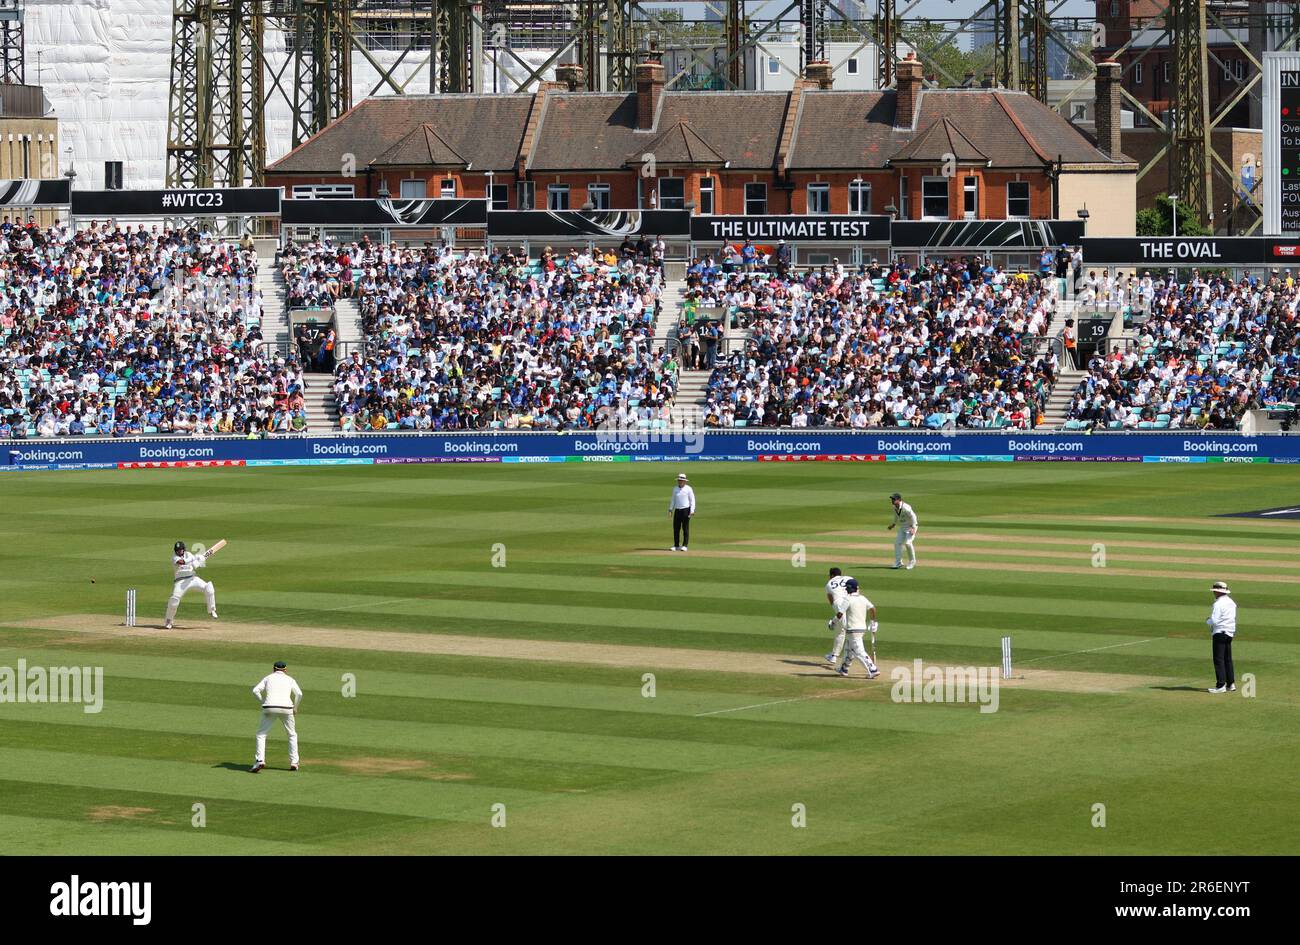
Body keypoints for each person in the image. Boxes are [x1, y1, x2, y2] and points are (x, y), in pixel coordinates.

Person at [251, 660, 303, 772]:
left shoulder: (268, 678)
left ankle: (260, 760)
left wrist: (263, 701)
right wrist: (295, 708)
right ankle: (294, 762)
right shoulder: (290, 679)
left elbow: (255, 690)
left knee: (261, 734)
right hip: (287, 708)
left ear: (273, 669)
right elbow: (299, 694)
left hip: (269, 707)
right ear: (285, 670)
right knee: (292, 734)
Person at [164, 540, 217, 630]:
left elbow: (195, 565)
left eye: (180, 549)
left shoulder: (188, 554)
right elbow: (182, 562)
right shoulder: (174, 557)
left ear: (184, 549)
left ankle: (212, 610)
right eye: (177, 550)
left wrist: (200, 560)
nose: (179, 551)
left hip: (192, 579)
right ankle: (169, 620)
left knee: (209, 587)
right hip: (180, 582)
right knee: (174, 600)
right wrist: (194, 558)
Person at [837, 579, 880, 679]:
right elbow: (873, 608)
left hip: (853, 629)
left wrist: (833, 622)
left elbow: (840, 614)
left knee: (859, 651)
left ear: (848, 589)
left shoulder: (847, 599)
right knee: (848, 648)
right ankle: (844, 668)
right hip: (861, 629)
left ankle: (873, 669)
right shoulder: (863, 598)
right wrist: (873, 621)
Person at [1206, 581, 1237, 694]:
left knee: (1218, 659)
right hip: (1229, 632)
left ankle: (1221, 685)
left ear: (1218, 592)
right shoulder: (1231, 602)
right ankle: (1230, 684)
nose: (1214, 593)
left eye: (1215, 591)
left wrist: (1207, 621)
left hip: (1220, 632)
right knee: (1227, 659)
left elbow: (1214, 620)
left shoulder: (1218, 604)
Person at [823, 566, 854, 665]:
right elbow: (856, 589)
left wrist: (836, 616)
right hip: (852, 601)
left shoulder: (829, 584)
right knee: (846, 628)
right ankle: (835, 655)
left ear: (832, 575)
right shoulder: (849, 578)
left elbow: (831, 600)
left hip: (838, 602)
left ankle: (835, 656)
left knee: (841, 630)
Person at [887, 492, 918, 569]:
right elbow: (896, 516)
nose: (892, 500)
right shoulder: (894, 507)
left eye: (894, 499)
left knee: (908, 543)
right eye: (892, 499)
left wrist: (913, 528)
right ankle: (898, 562)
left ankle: (912, 562)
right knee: (897, 543)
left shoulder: (906, 507)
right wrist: (893, 524)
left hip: (911, 527)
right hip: (902, 527)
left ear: (899, 500)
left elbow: (913, 517)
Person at [668, 472, 695, 551]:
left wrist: (692, 510)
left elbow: (692, 500)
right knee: (676, 528)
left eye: (681, 480)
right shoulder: (675, 489)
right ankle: (676, 545)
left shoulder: (688, 489)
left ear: (685, 481)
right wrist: (670, 509)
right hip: (677, 510)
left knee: (685, 528)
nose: (680, 481)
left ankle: (685, 545)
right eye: (679, 480)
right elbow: (673, 500)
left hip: (686, 510)